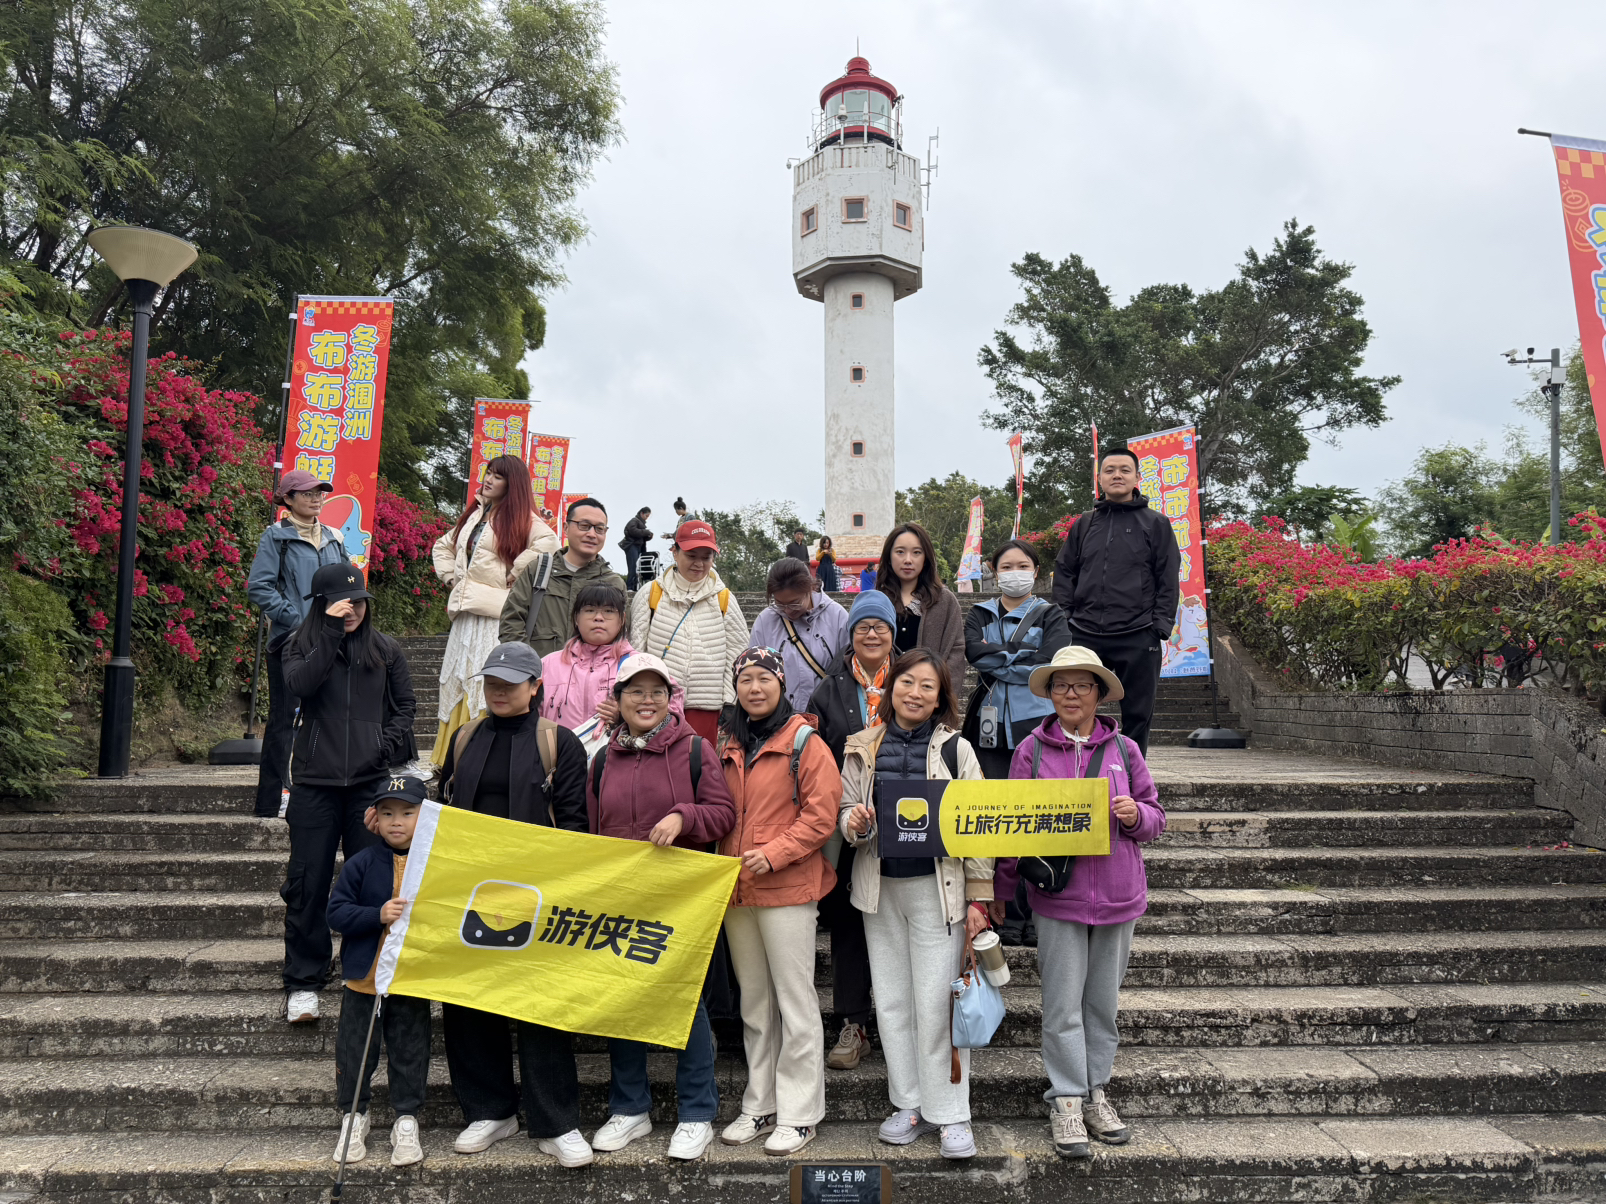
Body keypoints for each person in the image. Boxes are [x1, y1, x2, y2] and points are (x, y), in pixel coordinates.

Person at [991, 645, 1165, 1159]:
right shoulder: (1032, 751)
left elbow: (1156, 818)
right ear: (1050, 694)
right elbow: (1012, 823)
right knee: (1062, 1003)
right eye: (1062, 685)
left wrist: (1135, 815)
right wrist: (1001, 890)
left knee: (1102, 1005)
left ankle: (1096, 1092)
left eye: (1082, 685)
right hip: (1057, 895)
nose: (1071, 694)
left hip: (1118, 893)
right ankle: (1066, 1097)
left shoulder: (1125, 750)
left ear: (1098, 693)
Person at [436, 641, 595, 1166]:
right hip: (471, 888)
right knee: (468, 1000)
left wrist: (561, 887)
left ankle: (556, 1121)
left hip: (538, 890)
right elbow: (443, 810)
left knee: (540, 1003)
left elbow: (573, 822)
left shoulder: (558, 742)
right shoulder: (465, 737)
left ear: (536, 686)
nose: (498, 691)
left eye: (510, 683)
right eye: (491, 682)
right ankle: (489, 1110)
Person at [839, 648, 992, 1160]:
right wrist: (853, 823)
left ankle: (950, 1112)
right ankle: (907, 1103)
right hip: (879, 888)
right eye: (908, 682)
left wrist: (979, 897)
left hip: (937, 889)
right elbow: (844, 808)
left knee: (936, 1003)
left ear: (941, 696)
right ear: (892, 687)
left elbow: (979, 823)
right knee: (892, 1002)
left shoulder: (956, 750)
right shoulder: (861, 745)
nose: (916, 693)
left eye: (928, 686)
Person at [586, 654, 736, 1162]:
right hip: (622, 899)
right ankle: (630, 1107)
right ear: (619, 700)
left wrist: (683, 816)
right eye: (634, 692)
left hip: (679, 900)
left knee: (684, 1003)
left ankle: (697, 1113)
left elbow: (722, 814)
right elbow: (591, 831)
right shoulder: (601, 758)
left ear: (670, 699)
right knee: (623, 1001)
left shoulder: (694, 749)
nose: (645, 701)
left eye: (656, 692)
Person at [715, 648, 842, 1156]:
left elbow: (822, 815)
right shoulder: (727, 742)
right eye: (745, 679)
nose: (754, 687)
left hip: (787, 887)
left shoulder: (806, 742)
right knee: (754, 1003)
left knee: (795, 1001)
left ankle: (800, 1113)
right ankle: (760, 1102)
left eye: (764, 678)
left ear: (781, 684)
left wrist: (775, 853)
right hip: (738, 889)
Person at [280, 564, 416, 1024]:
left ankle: (368, 973)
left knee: (374, 884)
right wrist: (330, 634)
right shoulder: (299, 644)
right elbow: (300, 686)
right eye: (342, 603)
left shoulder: (385, 649)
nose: (352, 610)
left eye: (358, 602)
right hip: (314, 785)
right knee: (308, 882)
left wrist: (382, 745)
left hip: (368, 787)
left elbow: (405, 706)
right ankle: (303, 981)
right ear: (322, 604)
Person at [805, 589, 898, 1070]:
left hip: (905, 820)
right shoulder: (829, 688)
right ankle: (853, 1022)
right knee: (846, 923)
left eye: (881, 626)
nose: (872, 633)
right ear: (851, 634)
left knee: (898, 921)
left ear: (893, 632)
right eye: (863, 626)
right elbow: (816, 756)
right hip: (846, 821)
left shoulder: (912, 677)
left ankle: (899, 1024)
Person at [325, 776, 432, 1167]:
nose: (396, 821)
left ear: (425, 817)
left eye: (407, 813)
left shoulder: (434, 866)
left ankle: (406, 1118)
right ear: (374, 818)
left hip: (410, 978)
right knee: (355, 1052)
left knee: (410, 1050)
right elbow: (336, 912)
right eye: (387, 813)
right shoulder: (362, 862)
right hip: (363, 979)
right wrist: (376, 914)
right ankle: (354, 1116)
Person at [430, 455, 559, 764]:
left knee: (483, 682)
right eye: (488, 473)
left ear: (513, 484)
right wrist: (451, 578)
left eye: (498, 476)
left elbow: (550, 544)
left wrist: (515, 572)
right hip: (465, 614)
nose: (488, 479)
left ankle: (482, 759)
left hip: (495, 617)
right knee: (456, 681)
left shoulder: (524, 519)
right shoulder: (476, 514)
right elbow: (442, 546)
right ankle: (449, 760)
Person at [1052, 448, 1180, 753]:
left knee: (1138, 713)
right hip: (1084, 632)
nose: (1117, 475)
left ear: (1137, 477)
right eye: (1109, 470)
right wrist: (1065, 618)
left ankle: (1131, 774)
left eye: (1125, 470)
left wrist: (1159, 626)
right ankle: (1072, 766)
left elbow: (1167, 576)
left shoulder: (1156, 523)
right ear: (1099, 478)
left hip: (1138, 633)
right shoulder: (1085, 523)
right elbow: (1065, 571)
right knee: (1074, 707)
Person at [246, 469, 351, 817]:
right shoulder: (276, 537)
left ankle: (317, 793)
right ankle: (272, 799)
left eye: (319, 493)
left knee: (329, 717)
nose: (316, 498)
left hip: (332, 641)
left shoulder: (334, 537)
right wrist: (296, 620)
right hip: (290, 642)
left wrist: (343, 619)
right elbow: (259, 588)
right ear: (288, 499)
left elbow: (347, 583)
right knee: (284, 721)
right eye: (307, 493)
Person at [627, 519, 749, 743]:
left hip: (708, 709)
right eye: (691, 555)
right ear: (674, 552)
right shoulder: (650, 593)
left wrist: (730, 702)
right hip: (656, 707)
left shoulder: (724, 598)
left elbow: (737, 654)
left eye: (706, 557)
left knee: (701, 764)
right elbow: (635, 652)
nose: (699, 564)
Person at [963, 539, 1072, 781]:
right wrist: (1027, 650)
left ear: (1035, 571)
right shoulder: (979, 613)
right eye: (1007, 567)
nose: (1015, 572)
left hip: (1039, 719)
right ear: (995, 572)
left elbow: (1049, 663)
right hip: (987, 721)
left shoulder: (1052, 615)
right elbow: (975, 654)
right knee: (991, 793)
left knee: (1038, 793)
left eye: (1023, 566)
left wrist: (996, 660)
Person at [500, 497, 625, 656]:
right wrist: (526, 664)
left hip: (592, 671)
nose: (592, 534)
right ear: (566, 528)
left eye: (599, 529)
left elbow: (621, 637)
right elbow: (511, 621)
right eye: (584, 526)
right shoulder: (539, 571)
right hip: (538, 670)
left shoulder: (613, 583)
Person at [748, 557, 849, 715]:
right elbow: (754, 671)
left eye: (795, 603)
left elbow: (848, 671)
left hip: (828, 718)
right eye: (780, 604)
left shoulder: (837, 617)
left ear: (810, 588)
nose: (788, 611)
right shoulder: (765, 621)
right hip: (780, 718)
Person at [875, 523, 966, 688]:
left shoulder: (944, 601)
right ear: (888, 557)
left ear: (926, 558)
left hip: (928, 697)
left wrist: (941, 696)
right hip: (881, 696)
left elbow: (956, 651)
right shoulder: (876, 600)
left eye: (916, 552)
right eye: (900, 552)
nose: (908, 560)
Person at [538, 584, 634, 730]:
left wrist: (625, 717)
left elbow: (665, 713)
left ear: (622, 619)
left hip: (612, 745)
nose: (598, 618)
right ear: (576, 618)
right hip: (556, 745)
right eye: (590, 610)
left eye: (609, 611)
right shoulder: (547, 664)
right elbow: (527, 716)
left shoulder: (639, 665)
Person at [620, 506, 653, 591]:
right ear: (642, 513)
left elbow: (640, 536)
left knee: (638, 567)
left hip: (638, 546)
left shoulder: (640, 523)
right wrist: (645, 532)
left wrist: (648, 536)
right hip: (632, 546)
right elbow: (632, 530)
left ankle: (634, 587)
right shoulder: (634, 521)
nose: (647, 518)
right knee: (633, 567)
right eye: (646, 516)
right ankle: (630, 587)